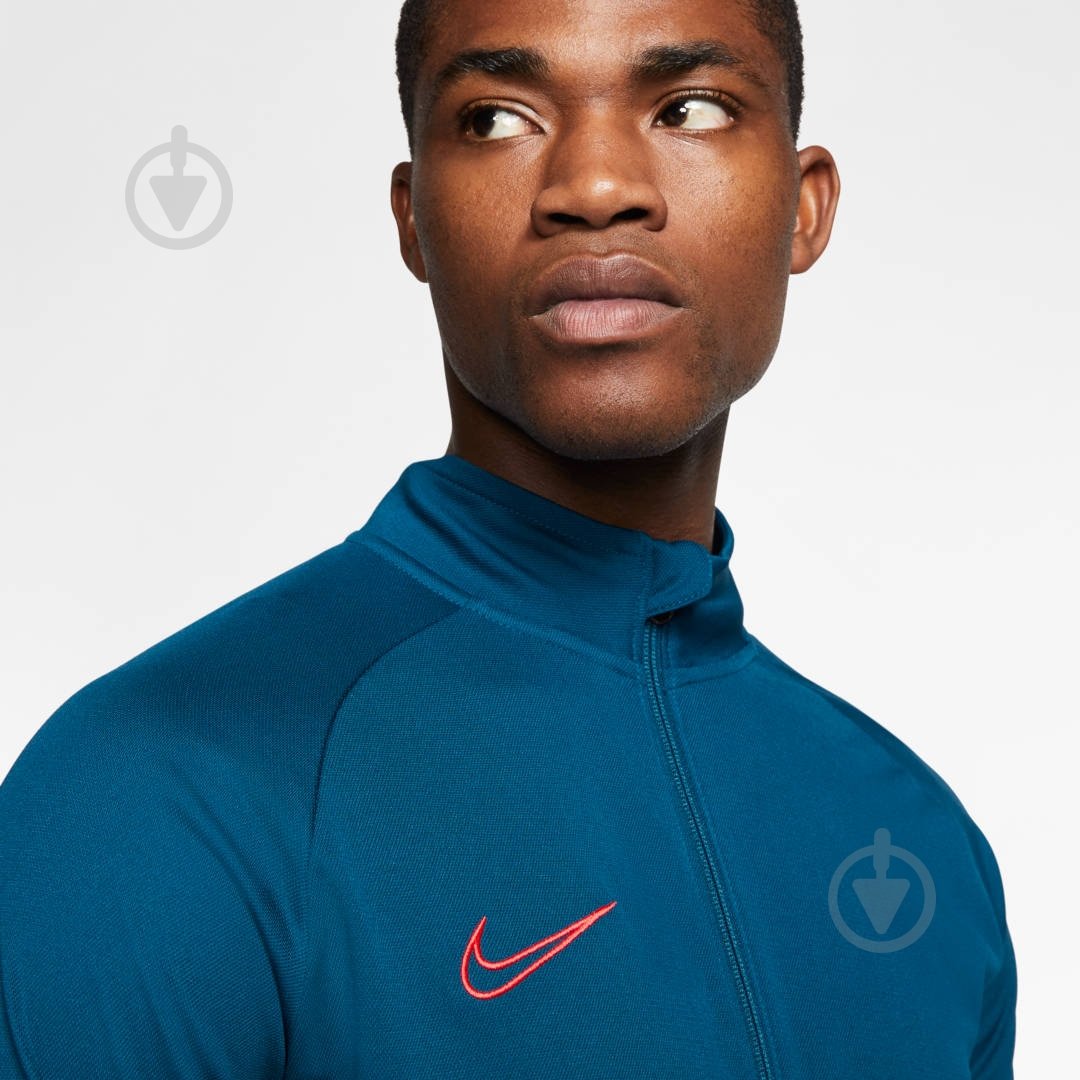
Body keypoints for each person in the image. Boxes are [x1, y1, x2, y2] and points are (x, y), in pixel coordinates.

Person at [0, 0, 1017, 1076]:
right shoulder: (147, 797)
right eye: (496, 118)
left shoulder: (920, 846)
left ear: (803, 209)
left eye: (691, 108)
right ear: (414, 221)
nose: (596, 186)